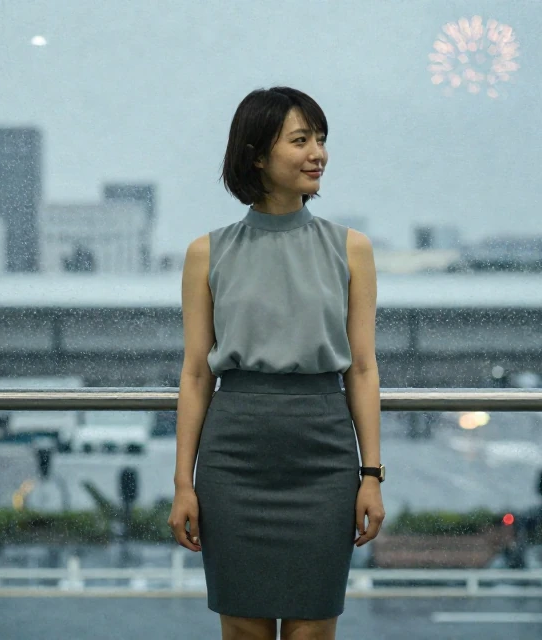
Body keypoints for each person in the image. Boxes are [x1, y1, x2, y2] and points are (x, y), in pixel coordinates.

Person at [167, 86, 386, 640]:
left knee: (314, 628)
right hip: (234, 457)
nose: (319, 154)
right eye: (301, 140)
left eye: (321, 140)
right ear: (257, 155)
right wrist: (183, 484)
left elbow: (361, 368)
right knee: (243, 628)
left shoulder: (351, 249)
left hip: (323, 455)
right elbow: (197, 373)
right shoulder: (207, 253)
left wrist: (371, 476)